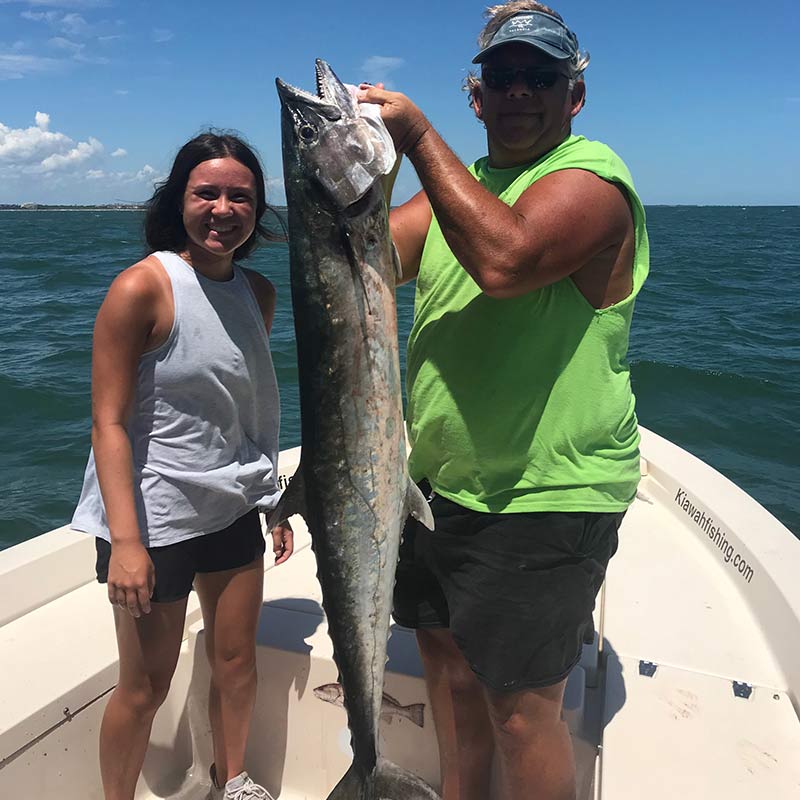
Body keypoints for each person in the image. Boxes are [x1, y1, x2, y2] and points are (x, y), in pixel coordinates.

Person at [358, 3, 649, 799]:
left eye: (540, 76)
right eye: (502, 76)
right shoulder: (460, 191)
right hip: (441, 486)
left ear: (573, 94)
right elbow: (370, 262)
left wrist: (416, 139)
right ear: (476, 96)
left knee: (521, 714)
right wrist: (356, 176)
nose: (520, 90)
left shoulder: (595, 180)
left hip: (546, 493)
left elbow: (508, 258)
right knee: (449, 675)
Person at [71, 132, 293, 800]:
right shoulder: (144, 286)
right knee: (144, 687)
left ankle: (236, 781)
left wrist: (271, 501)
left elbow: (243, 409)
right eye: (207, 193)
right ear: (178, 201)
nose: (223, 208)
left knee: (237, 664)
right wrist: (128, 544)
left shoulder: (257, 293)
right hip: (154, 517)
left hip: (229, 507)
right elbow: (107, 422)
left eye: (240, 196)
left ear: (258, 209)